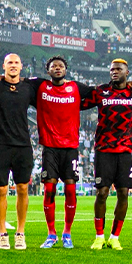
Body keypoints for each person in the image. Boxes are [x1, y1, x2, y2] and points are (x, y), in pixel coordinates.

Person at [84, 59, 132, 250]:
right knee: (102, 192)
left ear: (127, 72)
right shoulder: (100, 91)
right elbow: (79, 99)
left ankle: (114, 236)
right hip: (104, 149)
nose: (114, 72)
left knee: (123, 192)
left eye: (118, 69)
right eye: (111, 69)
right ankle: (99, 236)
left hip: (125, 151)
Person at [33, 56, 93, 249]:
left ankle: (67, 232)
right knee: (49, 189)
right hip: (50, 146)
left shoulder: (76, 87)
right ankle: (51, 234)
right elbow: (19, 82)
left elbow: (98, 93)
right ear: (47, 70)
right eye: (53, 66)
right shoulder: (40, 86)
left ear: (66, 70)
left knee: (70, 189)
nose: (57, 68)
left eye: (61, 66)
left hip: (70, 147)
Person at [0, 54, 39, 250]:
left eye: (17, 62)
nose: (13, 65)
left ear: (22, 66)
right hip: (0, 144)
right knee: (0, 190)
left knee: (22, 188)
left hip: (22, 145)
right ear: (4, 66)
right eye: (10, 62)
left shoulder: (28, 88)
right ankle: (2, 233)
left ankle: (20, 233)